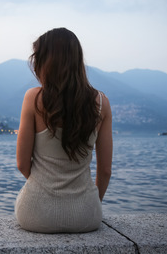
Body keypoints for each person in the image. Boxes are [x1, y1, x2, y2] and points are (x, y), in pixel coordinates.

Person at [14, 27, 113, 233]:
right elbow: (105, 171)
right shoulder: (102, 103)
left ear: (46, 62)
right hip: (87, 215)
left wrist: (46, 188)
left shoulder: (33, 98)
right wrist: (90, 204)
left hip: (35, 213)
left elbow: (22, 164)